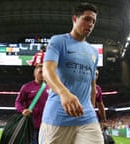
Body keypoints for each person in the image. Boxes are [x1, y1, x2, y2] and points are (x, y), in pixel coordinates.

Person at [39, 2, 104, 144]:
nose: (90, 24)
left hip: (87, 119)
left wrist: (91, 110)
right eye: (86, 19)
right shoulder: (58, 41)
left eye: (93, 21)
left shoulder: (93, 52)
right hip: (58, 117)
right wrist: (64, 93)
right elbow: (47, 71)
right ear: (75, 19)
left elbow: (92, 86)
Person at [15, 64, 49, 144]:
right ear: (35, 74)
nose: (43, 74)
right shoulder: (27, 87)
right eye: (40, 72)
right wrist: (23, 110)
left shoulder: (51, 87)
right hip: (32, 125)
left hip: (47, 125)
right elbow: (18, 102)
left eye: (45, 72)